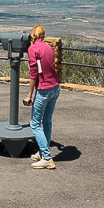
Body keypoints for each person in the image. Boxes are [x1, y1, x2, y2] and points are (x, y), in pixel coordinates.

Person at [23, 25, 60, 169]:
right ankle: (42, 151)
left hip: (44, 90)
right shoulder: (49, 48)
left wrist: (29, 95)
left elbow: (33, 74)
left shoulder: (33, 49)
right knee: (47, 121)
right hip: (55, 88)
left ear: (32, 36)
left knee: (35, 124)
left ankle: (47, 158)